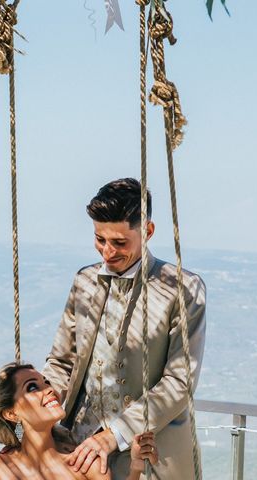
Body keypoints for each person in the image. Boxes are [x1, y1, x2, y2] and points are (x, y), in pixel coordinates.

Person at [42, 178, 206, 480]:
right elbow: (62, 362)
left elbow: (179, 382)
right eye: (99, 239)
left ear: (148, 232)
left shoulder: (182, 289)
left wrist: (112, 435)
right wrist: (36, 400)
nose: (107, 252)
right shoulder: (84, 281)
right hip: (78, 453)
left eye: (120, 243)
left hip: (151, 455)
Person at [0, 362, 158, 480]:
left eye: (46, 383)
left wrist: (135, 466)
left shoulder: (84, 464)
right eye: (32, 387)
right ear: (11, 414)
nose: (49, 390)